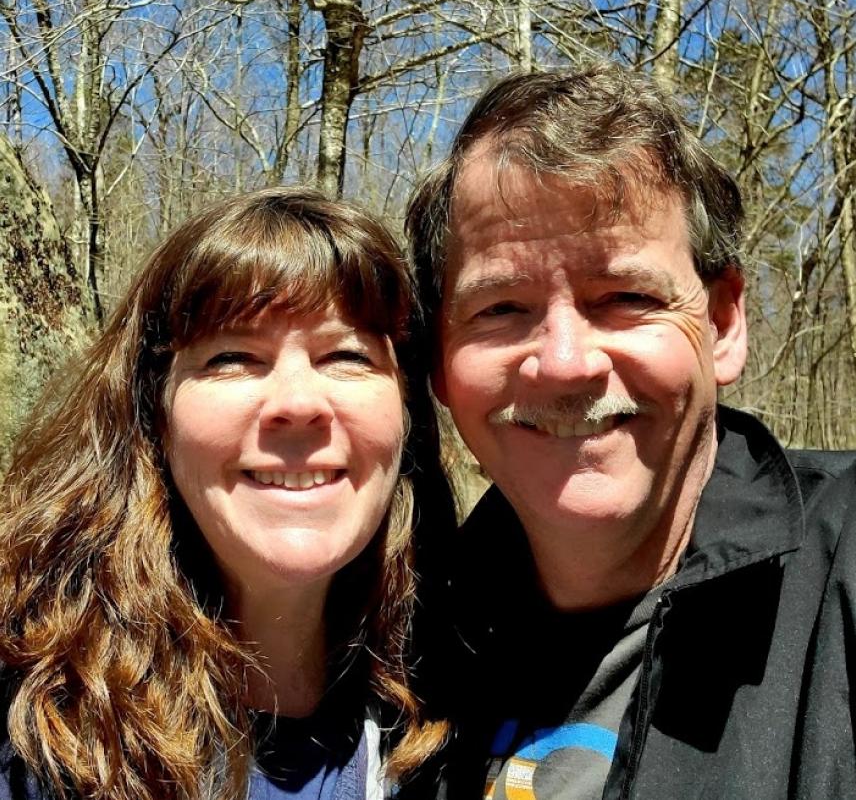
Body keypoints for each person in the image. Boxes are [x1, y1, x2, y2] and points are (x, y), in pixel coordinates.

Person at [403, 64, 856, 799]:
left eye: (624, 296)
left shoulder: (843, 572)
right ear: (440, 367)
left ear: (723, 324)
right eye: (500, 308)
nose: (564, 364)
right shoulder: (400, 647)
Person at [0, 188, 454, 800]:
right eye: (233, 357)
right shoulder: (26, 721)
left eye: (346, 355)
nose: (298, 403)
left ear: (406, 413)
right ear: (154, 416)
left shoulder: (473, 704)